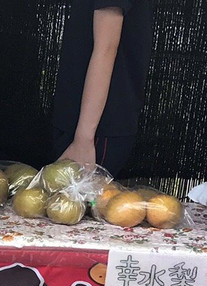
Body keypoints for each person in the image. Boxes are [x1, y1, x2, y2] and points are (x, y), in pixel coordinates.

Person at [52, 0, 153, 178]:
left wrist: (84, 138)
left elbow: (106, 48)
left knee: (80, 203)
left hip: (95, 131)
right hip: (85, 125)